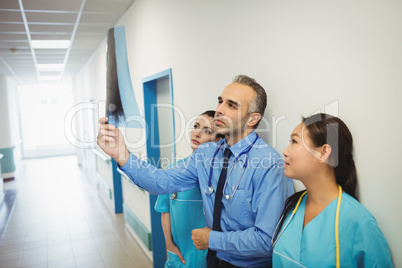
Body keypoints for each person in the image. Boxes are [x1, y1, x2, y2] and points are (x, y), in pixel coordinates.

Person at [97, 75, 294, 267]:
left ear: (253, 119)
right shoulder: (206, 154)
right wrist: (122, 154)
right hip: (212, 261)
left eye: (231, 105)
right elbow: (160, 181)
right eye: (220, 102)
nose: (219, 110)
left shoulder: (269, 165)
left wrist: (213, 239)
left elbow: (268, 240)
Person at [272, 113, 393, 267]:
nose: (285, 151)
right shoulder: (293, 207)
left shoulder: (360, 223)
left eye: (294, 141)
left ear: (323, 153)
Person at [155, 110, 223, 268]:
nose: (197, 133)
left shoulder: (219, 178)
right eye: (196, 126)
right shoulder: (174, 170)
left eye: (207, 131)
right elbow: (166, 210)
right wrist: (169, 244)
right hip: (178, 256)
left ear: (218, 140)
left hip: (208, 257)